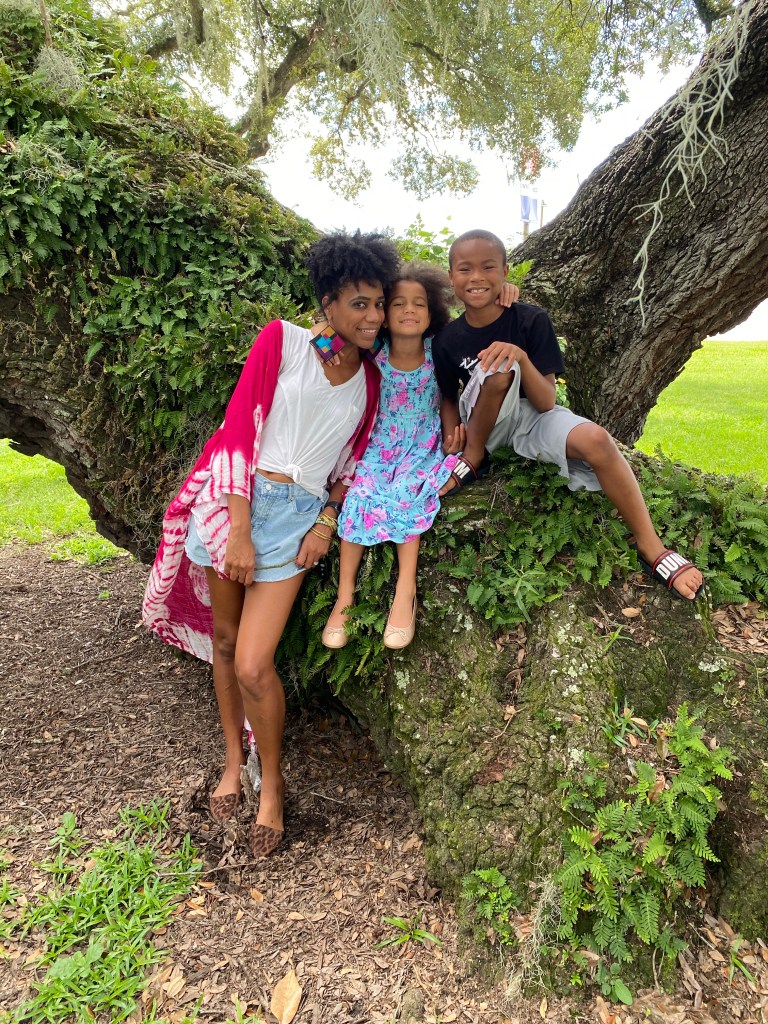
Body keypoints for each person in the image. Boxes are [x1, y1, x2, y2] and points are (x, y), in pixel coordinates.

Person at [142, 231, 401, 857]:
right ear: (330, 301)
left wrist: (325, 523)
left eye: (379, 306)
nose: (373, 318)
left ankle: (273, 785)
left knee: (257, 662)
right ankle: (234, 761)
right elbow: (238, 429)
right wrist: (236, 529)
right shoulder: (282, 340)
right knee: (226, 645)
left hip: (297, 519)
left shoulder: (371, 380)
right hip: (237, 501)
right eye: (361, 304)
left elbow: (351, 467)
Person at [433, 229, 704, 600]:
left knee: (597, 440)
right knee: (496, 371)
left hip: (531, 416)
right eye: (465, 268)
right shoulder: (447, 339)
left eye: (488, 267)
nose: (476, 277)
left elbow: (545, 401)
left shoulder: (530, 320)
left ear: (505, 272)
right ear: (451, 277)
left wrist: (522, 356)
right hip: (485, 422)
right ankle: (474, 457)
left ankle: (651, 546)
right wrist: (455, 436)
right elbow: (449, 396)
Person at [321, 264, 520, 651]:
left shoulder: (439, 348)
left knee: (412, 491)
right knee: (360, 493)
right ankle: (344, 598)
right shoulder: (373, 350)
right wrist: (321, 331)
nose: (409, 310)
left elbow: (450, 390)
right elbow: (330, 343)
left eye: (419, 304)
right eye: (398, 304)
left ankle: (404, 590)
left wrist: (504, 294)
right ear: (382, 313)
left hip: (423, 441)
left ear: (432, 313)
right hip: (379, 440)